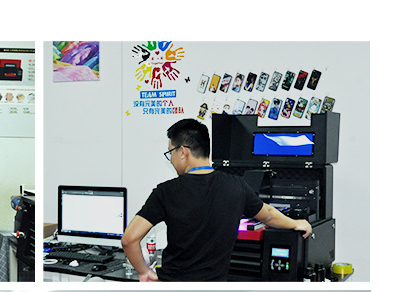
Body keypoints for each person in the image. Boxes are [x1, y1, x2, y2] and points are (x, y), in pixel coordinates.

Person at [121, 118, 313, 282]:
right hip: (213, 289)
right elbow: (268, 215)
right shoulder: (237, 186)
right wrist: (296, 223)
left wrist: (144, 272)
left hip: (173, 288)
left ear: (182, 152)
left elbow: (129, 239)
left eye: (170, 152)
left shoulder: (166, 191)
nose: (171, 159)